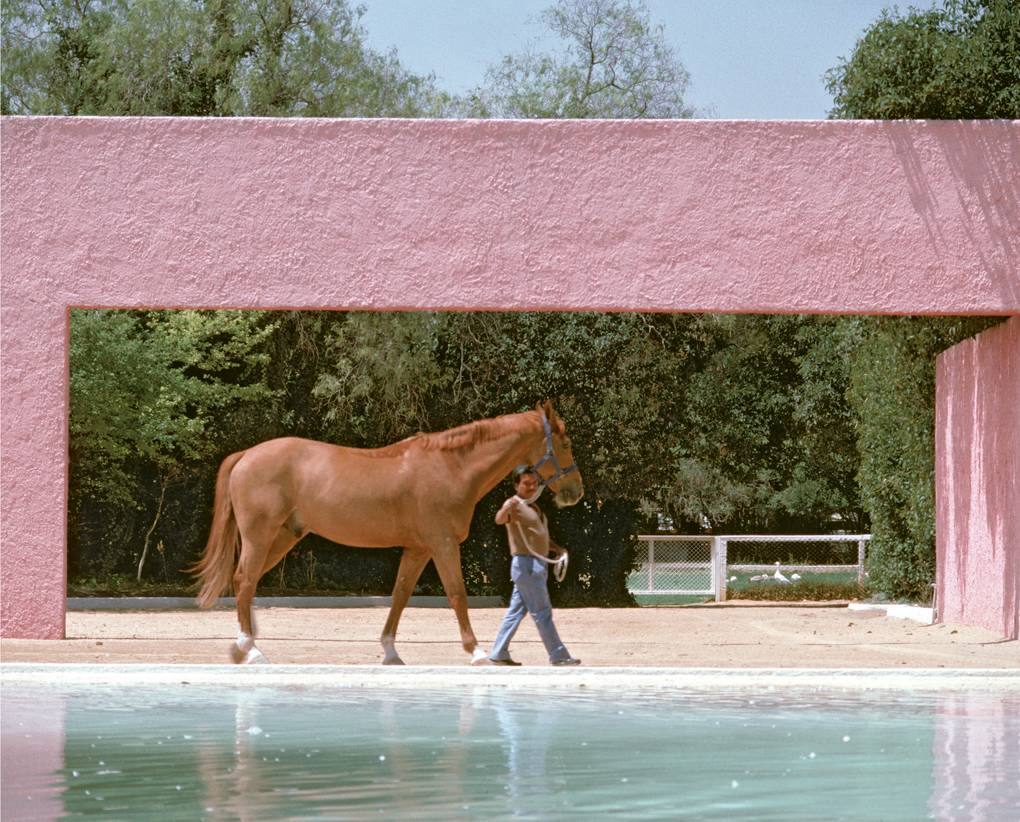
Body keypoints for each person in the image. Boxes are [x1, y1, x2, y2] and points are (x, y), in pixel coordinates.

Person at [485, 465, 581, 666]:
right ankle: (558, 655)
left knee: (516, 610)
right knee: (542, 611)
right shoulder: (515, 505)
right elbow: (499, 519)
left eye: (534, 483)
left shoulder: (533, 507)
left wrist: (557, 549)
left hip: (536, 563)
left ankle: (498, 652)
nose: (531, 487)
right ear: (516, 485)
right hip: (526, 564)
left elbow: (540, 538)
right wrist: (507, 507)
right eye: (526, 483)